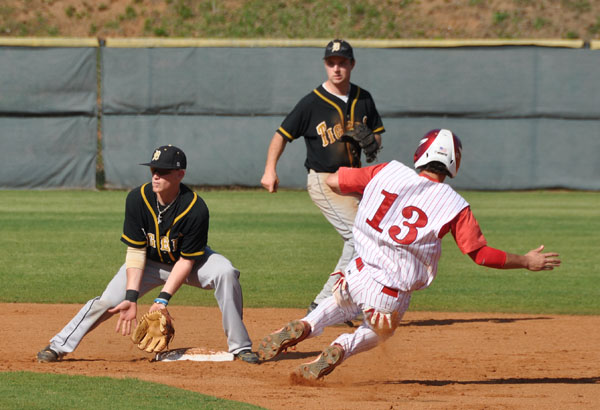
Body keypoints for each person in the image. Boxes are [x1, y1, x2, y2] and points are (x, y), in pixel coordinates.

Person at [256, 129, 561, 380]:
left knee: (338, 303)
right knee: (378, 332)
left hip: (358, 270)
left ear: (422, 154)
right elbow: (480, 254)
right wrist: (525, 260)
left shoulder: (388, 171)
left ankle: (306, 325)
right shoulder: (455, 204)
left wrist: (368, 177)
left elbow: (334, 181)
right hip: (390, 292)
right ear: (454, 164)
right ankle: (340, 347)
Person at [37, 145, 259, 364]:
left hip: (191, 264)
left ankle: (241, 346)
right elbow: (135, 250)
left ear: (180, 174)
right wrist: (131, 297)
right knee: (106, 301)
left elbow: (186, 260)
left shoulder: (195, 208)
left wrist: (162, 299)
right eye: (153, 170)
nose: (156, 176)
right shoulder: (137, 199)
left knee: (226, 272)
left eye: (163, 171)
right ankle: (57, 346)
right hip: (149, 264)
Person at [260, 39, 385, 319]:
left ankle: (342, 304)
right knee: (359, 238)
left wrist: (370, 140)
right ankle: (323, 304)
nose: (337, 68)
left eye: (342, 62)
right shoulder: (312, 102)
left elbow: (376, 139)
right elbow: (282, 134)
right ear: (325, 66)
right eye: (331, 63)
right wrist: (270, 169)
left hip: (354, 181)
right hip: (323, 179)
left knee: (368, 238)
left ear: (352, 64)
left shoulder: (364, 98)